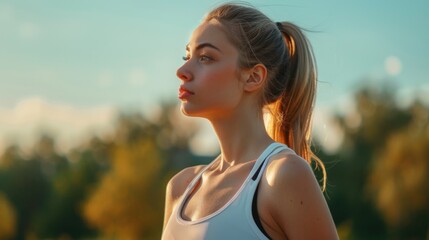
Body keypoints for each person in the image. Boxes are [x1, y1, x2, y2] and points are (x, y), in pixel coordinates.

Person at [162, 3, 338, 240]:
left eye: (205, 57)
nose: (182, 70)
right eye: (187, 56)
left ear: (253, 77)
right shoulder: (181, 187)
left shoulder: (283, 175)